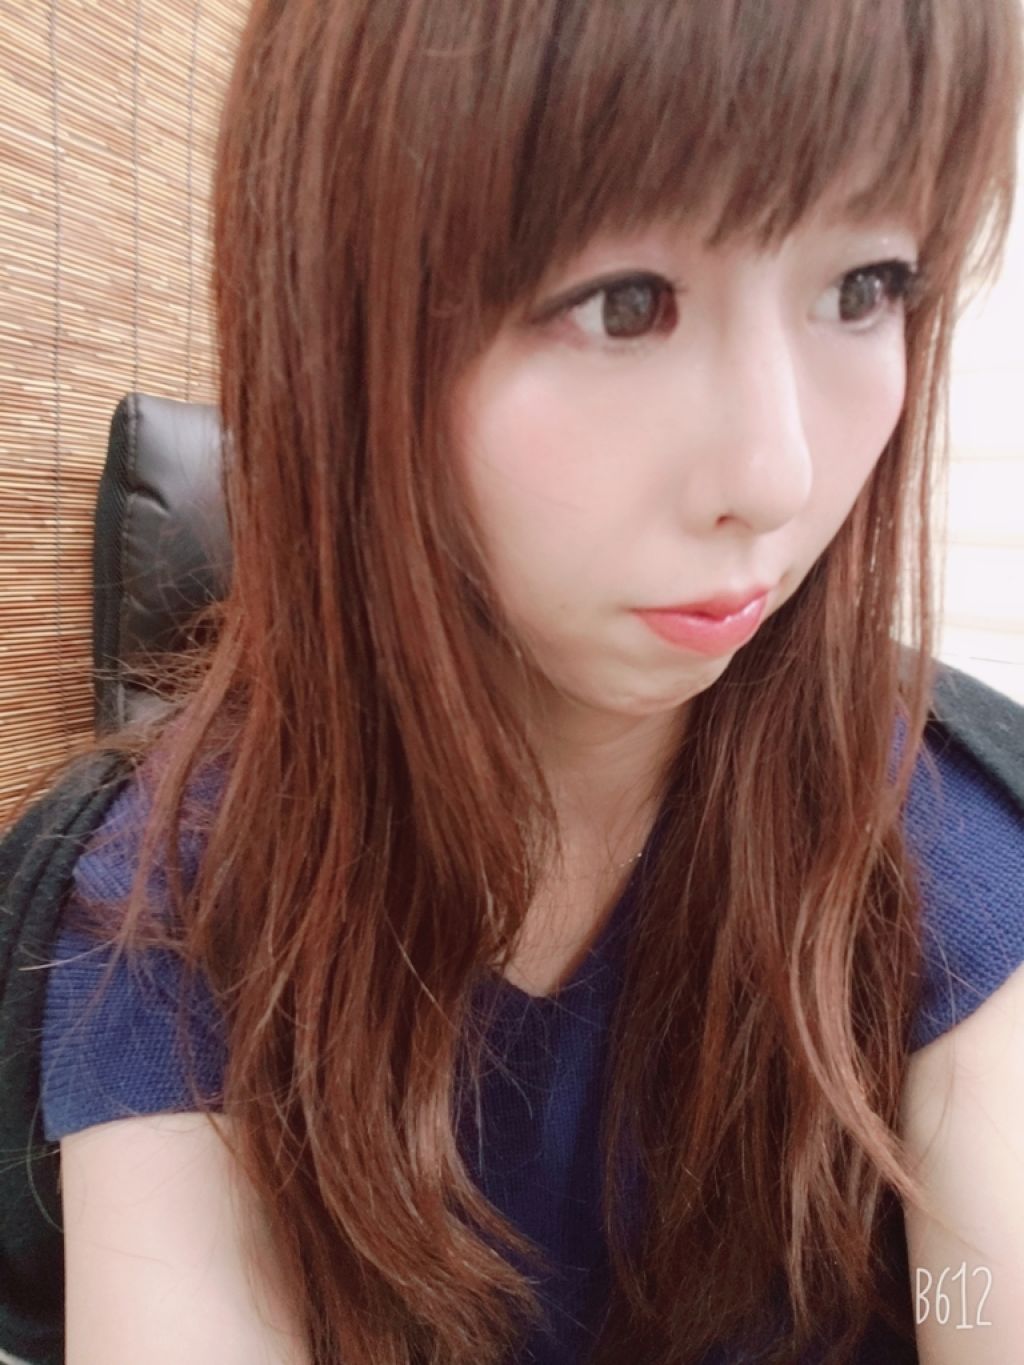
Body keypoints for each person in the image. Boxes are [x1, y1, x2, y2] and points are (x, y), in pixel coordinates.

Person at [7, 0, 1024, 1361]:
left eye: (865, 289)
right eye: (626, 304)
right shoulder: (183, 909)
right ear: (336, 325)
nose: (775, 475)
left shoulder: (934, 834)